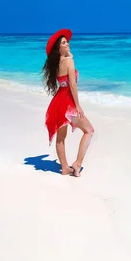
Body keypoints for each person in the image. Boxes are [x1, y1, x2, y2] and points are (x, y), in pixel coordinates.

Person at [42, 29, 94, 177]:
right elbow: (72, 84)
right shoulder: (69, 61)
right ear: (59, 48)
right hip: (68, 102)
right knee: (89, 131)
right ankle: (77, 164)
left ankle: (65, 168)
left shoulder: (57, 63)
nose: (68, 44)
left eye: (67, 41)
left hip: (58, 101)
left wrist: (68, 54)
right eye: (64, 43)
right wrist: (77, 105)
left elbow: (64, 82)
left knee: (61, 138)